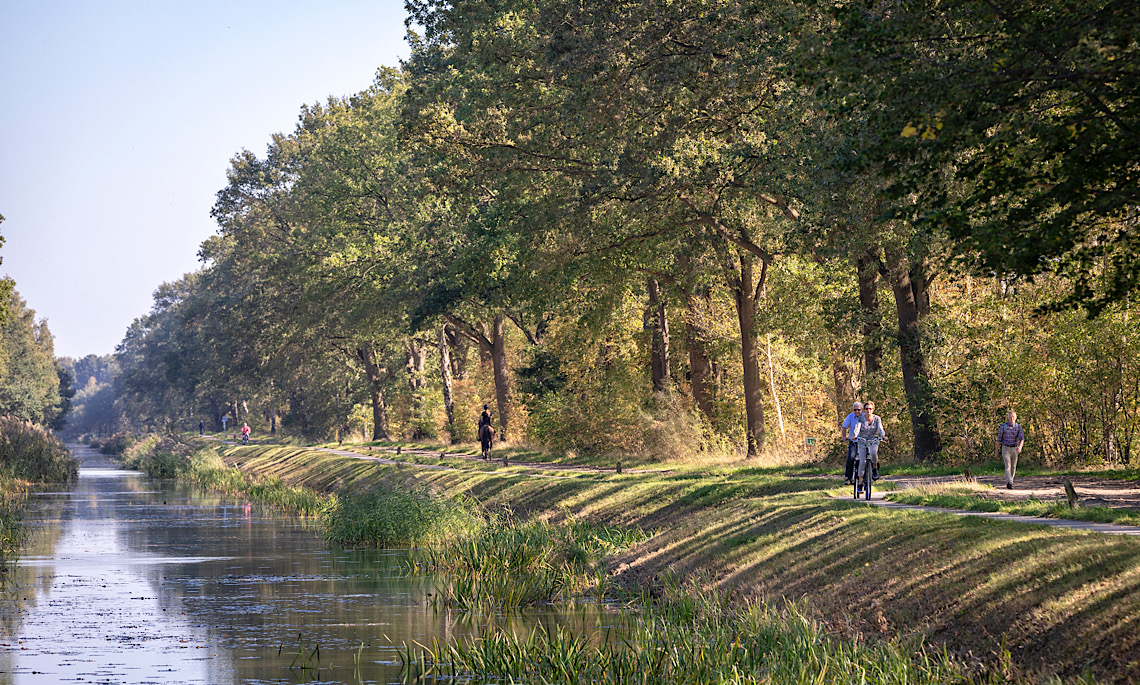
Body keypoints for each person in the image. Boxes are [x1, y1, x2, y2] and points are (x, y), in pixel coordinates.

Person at [853, 401, 886, 494]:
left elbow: (880, 428)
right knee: (862, 461)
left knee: (873, 453)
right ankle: (860, 483)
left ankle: (875, 469)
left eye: (870, 409)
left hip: (873, 440)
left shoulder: (877, 419)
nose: (868, 410)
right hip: (862, 441)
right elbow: (857, 427)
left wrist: (883, 435)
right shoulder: (861, 418)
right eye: (867, 409)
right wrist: (855, 435)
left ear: (873, 409)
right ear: (864, 409)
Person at [995, 410, 1025, 489]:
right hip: (1006, 448)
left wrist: (1020, 447)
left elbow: (1022, 438)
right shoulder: (1003, 427)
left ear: (1016, 418)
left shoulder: (1018, 427)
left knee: (1013, 466)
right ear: (1008, 418)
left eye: (1013, 417)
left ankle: (1011, 480)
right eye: (1010, 417)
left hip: (1014, 448)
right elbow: (999, 440)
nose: (1012, 419)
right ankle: (1009, 482)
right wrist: (996, 452)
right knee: (1007, 465)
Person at [841, 401, 863, 485]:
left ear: (862, 410)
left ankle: (867, 477)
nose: (857, 412)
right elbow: (844, 426)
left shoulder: (864, 417)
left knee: (866, 459)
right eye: (855, 410)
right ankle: (849, 478)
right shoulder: (850, 416)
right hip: (853, 441)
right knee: (851, 457)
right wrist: (844, 437)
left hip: (863, 442)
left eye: (859, 410)